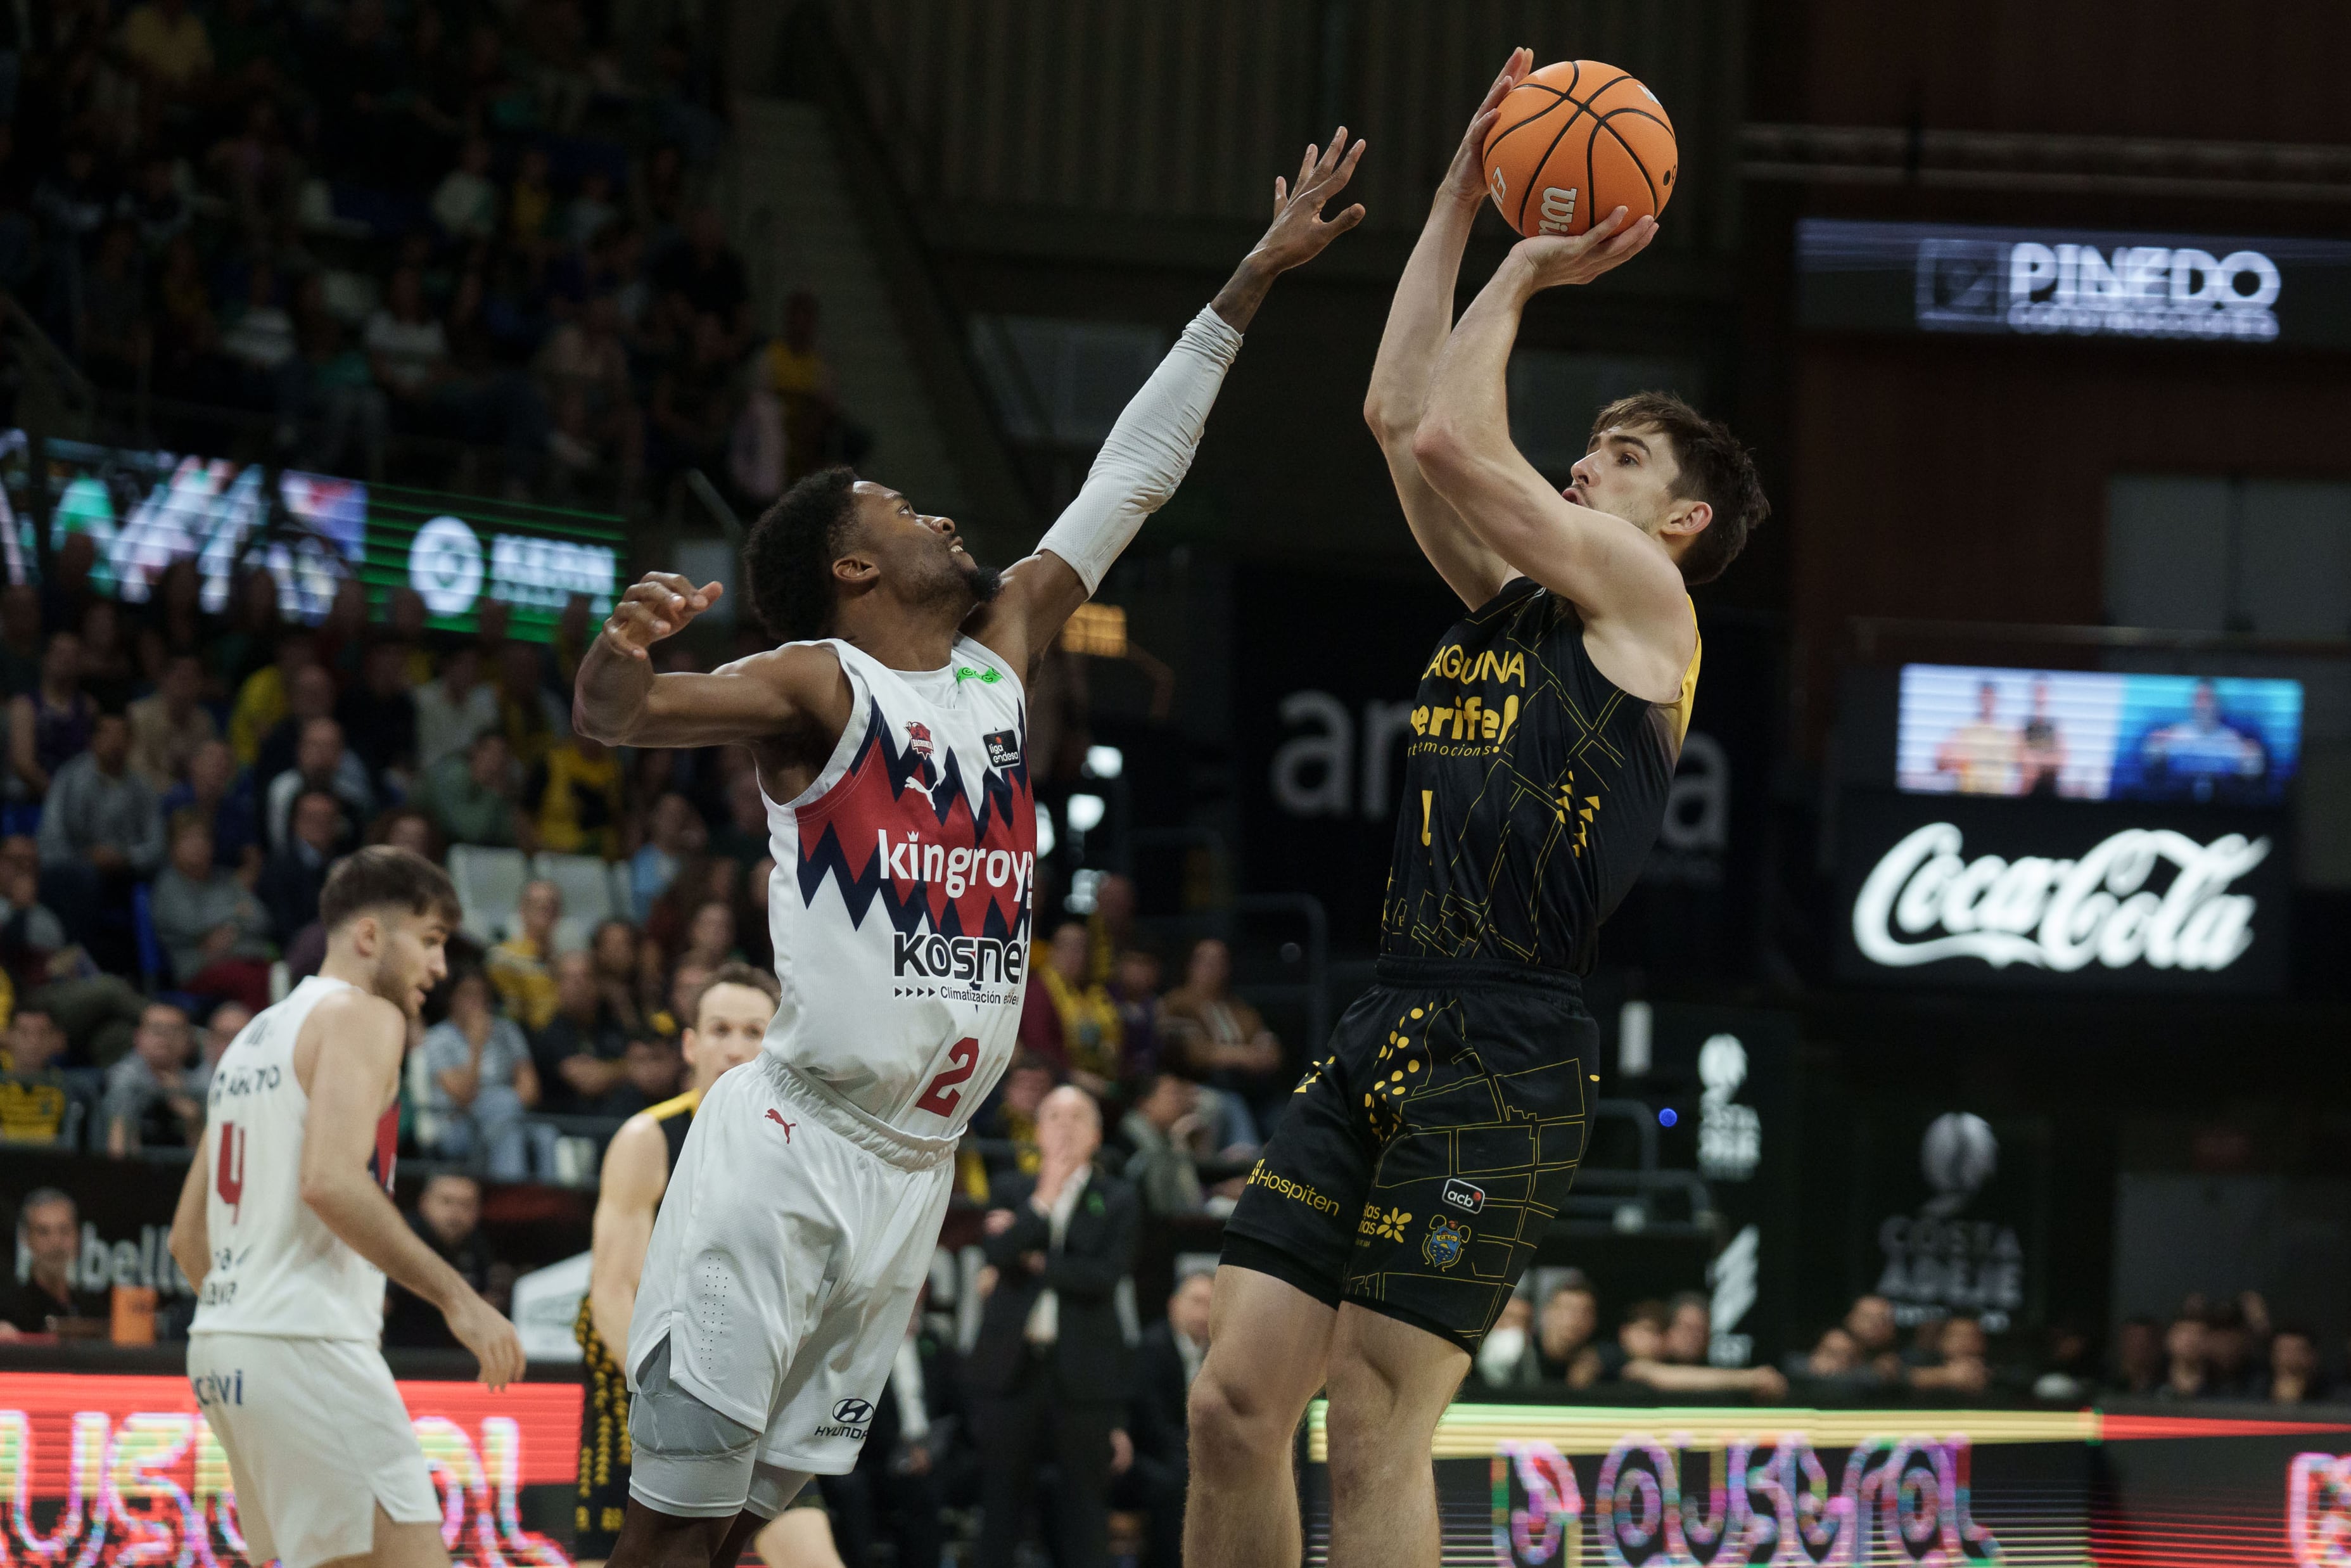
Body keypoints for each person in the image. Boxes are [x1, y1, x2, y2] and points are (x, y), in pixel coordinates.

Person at [568, 123, 1357, 1555]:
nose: (943, 514)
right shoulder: (822, 681)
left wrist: (1248, 278)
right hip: (793, 1147)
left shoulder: (996, 664)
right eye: (903, 511)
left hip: (913, 1172)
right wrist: (619, 656)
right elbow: (626, 719)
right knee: (670, 1531)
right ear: (855, 568)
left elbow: (1128, 481)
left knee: (750, 1521)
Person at [1190, 60, 1770, 1568]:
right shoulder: (1510, 604)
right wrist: (1459, 191)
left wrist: (1524, 259)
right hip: (1389, 1011)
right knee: (1234, 1410)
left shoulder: (1649, 610)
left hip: (1510, 1050)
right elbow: (1399, 413)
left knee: (1374, 1435)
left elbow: (1457, 440)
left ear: (1678, 522)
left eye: (1621, 460)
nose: (1585, 463)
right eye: (1589, 450)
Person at [169, 847, 524, 1568]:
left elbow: (186, 1239)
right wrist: (459, 1299)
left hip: (224, 1351)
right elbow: (330, 1180)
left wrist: (254, 1325)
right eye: (428, 941)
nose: (439, 969)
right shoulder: (364, 1016)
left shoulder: (250, 1039)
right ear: (368, 937)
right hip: (306, 1348)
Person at [577, 964, 779, 1565]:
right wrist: (669, 1395)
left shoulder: (790, 1148)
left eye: (753, 1031)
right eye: (719, 1029)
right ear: (690, 1043)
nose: (736, 1046)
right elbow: (612, 1291)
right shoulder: (650, 1137)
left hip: (742, 1382)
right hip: (644, 1377)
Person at [968, 1087, 1140, 1568]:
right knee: (999, 1505)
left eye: (1078, 1116)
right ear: (1037, 1130)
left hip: (1084, 1376)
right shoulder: (1010, 1188)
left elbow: (1104, 1276)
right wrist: (1043, 1200)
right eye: (1054, 1115)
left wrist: (1032, 1255)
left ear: (1097, 1133)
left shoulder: (1118, 1196)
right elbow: (996, 1254)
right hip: (1010, 1371)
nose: (1065, 1125)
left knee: (1084, 1510)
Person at [419, 968, 551, 1179]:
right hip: (456, 1124)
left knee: (545, 1135)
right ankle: (509, 1190)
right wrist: (476, 1046)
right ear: (452, 998)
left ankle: (548, 1201)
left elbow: (530, 1090)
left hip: (506, 1116)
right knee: (503, 1108)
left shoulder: (507, 1031)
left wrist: (502, 1104)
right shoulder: (437, 1039)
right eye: (468, 994)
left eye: (482, 994)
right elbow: (463, 1095)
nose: (477, 1001)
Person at [1122, 1270, 1212, 1568]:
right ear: (1174, 1304)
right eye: (1196, 1301)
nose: (1203, 1312)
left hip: (1195, 1459)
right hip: (1149, 1457)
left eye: (1211, 1304)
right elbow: (1153, 1426)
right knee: (1177, 1484)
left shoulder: (1218, 1355)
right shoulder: (1152, 1347)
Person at [151, 815, 274, 1010]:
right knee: (251, 980)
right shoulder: (168, 886)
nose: (198, 845)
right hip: (198, 967)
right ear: (173, 847)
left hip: (247, 958)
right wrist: (236, 914)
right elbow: (192, 925)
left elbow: (262, 920)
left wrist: (225, 927)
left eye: (203, 838)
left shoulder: (226, 879)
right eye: (189, 839)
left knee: (280, 974)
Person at [383, 1174, 504, 1349]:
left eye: (466, 1205)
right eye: (447, 1202)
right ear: (424, 1202)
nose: (456, 1213)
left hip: (455, 1355)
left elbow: (486, 1303)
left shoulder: (477, 1243)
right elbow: (381, 1305)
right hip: (402, 1352)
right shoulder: (402, 1237)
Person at [1619, 1292, 1788, 1401]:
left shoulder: (1717, 1371)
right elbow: (1667, 1378)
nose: (1693, 1337)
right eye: (1686, 1328)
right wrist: (1752, 1378)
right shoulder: (1643, 1366)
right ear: (1668, 1331)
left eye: (1701, 1330)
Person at [0, 1189, 108, 1334]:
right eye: (43, 1232)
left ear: (78, 1236)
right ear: (25, 1238)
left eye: (64, 1230)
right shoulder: (10, 1311)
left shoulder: (93, 1311)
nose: (56, 1242)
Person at [535, 950, 630, 1112]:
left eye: (585, 976)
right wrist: (628, 1069)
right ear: (557, 986)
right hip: (566, 1127)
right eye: (570, 979)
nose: (579, 986)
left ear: (598, 984)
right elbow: (588, 1081)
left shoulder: (612, 1024)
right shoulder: (549, 1031)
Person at [103, 1001, 203, 1154]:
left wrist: (193, 1118)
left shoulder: (201, 1083)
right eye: (156, 1030)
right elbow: (119, 1151)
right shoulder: (123, 1079)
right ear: (138, 1037)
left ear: (189, 1041)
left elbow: (205, 1159)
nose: (164, 1038)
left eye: (173, 1031)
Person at [258, 789, 348, 939]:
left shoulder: (345, 864)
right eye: (312, 818)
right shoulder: (278, 868)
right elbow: (282, 926)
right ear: (294, 821)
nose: (320, 824)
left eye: (327, 818)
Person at [127, 650, 217, 789]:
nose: (186, 685)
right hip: (148, 798)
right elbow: (137, 771)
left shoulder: (204, 721)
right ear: (164, 678)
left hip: (192, 801)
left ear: (201, 683)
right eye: (181, 677)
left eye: (193, 678)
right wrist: (177, 791)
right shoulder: (138, 715)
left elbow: (210, 770)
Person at [487, 879, 563, 1029]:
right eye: (537, 904)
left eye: (551, 904)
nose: (545, 908)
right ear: (522, 910)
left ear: (559, 913)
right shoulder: (503, 958)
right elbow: (511, 1017)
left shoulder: (566, 963)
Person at [0, 1005, 77, 1144]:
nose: (33, 1043)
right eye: (24, 1033)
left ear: (55, 1040)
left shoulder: (62, 1086)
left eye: (42, 1034)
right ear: (7, 1036)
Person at [1935, 681, 2021, 794]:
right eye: (1984, 697)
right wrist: (1954, 761)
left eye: (1990, 696)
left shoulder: (2008, 733)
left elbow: (2026, 766)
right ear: (1979, 699)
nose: (1987, 701)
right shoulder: (1965, 729)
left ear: (1997, 699)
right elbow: (1940, 761)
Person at [2017, 677, 2065, 796]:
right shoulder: (2024, 725)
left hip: (2050, 789)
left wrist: (2036, 761)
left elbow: (2062, 758)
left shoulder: (2056, 726)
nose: (2040, 695)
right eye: (2038, 691)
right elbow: (2020, 756)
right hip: (2028, 790)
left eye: (2043, 691)